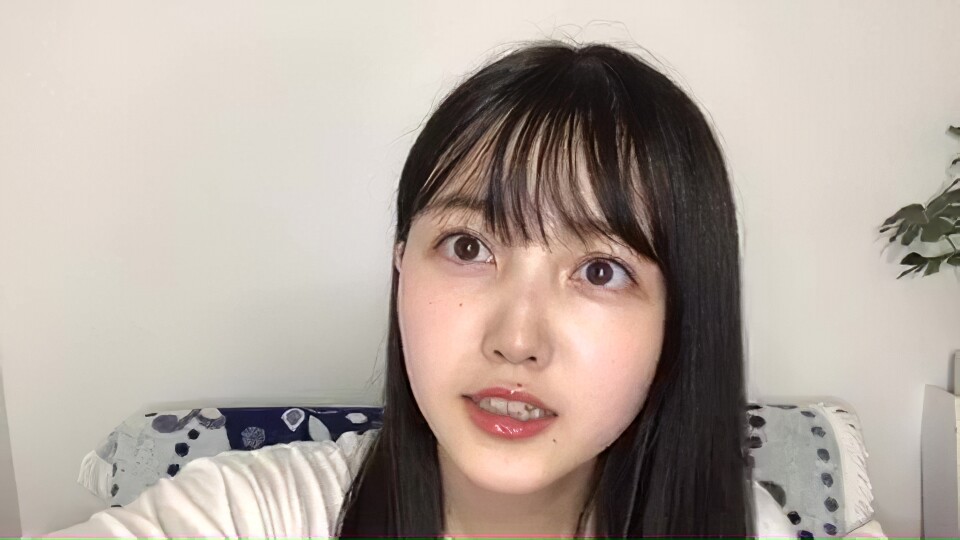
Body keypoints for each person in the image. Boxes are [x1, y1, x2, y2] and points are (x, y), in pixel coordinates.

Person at [47, 40, 790, 538]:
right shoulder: (255, 513)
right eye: (469, 247)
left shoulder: (743, 527)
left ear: (679, 317)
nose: (516, 340)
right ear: (401, 265)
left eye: (600, 270)